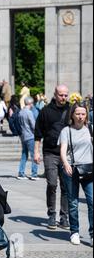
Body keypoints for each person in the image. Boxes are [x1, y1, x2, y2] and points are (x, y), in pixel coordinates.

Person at [34, 85, 70, 230]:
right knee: (52, 184)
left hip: (67, 155)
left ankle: (64, 217)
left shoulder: (71, 110)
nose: (63, 98)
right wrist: (36, 152)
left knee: (66, 186)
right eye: (61, 95)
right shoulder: (45, 111)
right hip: (50, 152)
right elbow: (38, 134)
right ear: (55, 94)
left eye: (66, 95)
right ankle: (51, 215)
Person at [58, 102, 93, 246]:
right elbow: (63, 150)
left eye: (83, 114)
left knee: (92, 201)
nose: (80, 116)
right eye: (77, 113)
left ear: (86, 115)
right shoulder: (66, 131)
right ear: (72, 114)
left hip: (89, 169)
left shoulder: (90, 129)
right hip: (71, 169)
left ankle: (92, 234)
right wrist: (65, 164)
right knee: (73, 202)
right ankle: (74, 232)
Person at [17, 97, 39, 180]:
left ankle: (21, 173)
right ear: (31, 103)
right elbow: (33, 125)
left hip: (23, 136)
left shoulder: (21, 112)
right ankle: (34, 174)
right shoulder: (29, 112)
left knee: (24, 155)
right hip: (30, 136)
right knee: (34, 155)